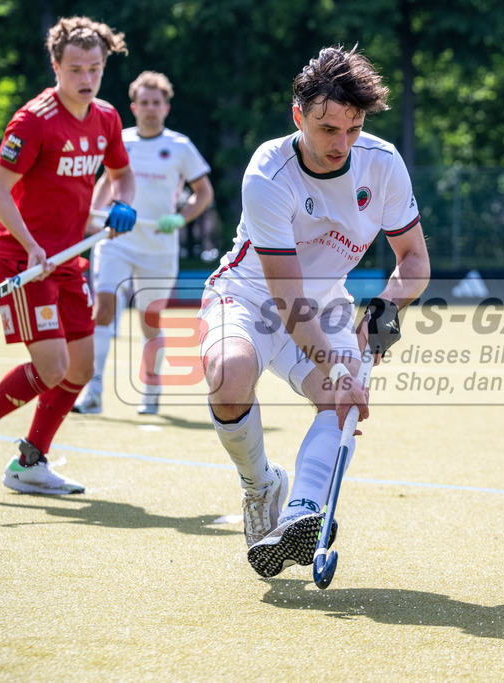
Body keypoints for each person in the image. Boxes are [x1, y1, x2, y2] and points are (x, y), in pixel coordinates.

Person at [198, 46, 429, 577]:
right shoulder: (268, 174)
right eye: (328, 129)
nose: (342, 144)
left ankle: (301, 509)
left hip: (323, 303)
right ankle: (261, 486)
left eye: (353, 128)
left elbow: (414, 259)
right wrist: (339, 367)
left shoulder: (383, 164)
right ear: (298, 115)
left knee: (340, 405)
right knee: (229, 377)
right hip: (251, 295)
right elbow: (284, 295)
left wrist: (389, 304)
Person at [0, 16, 136, 495]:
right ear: (55, 66)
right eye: (75, 69)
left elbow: (121, 175)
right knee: (51, 367)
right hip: (20, 259)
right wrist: (31, 247)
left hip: (68, 259)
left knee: (81, 368)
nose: (86, 79)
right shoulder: (33, 121)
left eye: (95, 68)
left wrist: (121, 204)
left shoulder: (107, 118)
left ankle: (29, 463)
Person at [73, 71, 214, 416]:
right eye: (145, 103)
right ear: (134, 107)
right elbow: (109, 181)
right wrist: (94, 216)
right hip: (116, 241)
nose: (151, 109)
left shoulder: (180, 146)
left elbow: (204, 193)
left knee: (149, 319)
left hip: (159, 247)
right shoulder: (121, 140)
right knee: (103, 309)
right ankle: (92, 393)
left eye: (157, 103)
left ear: (166, 107)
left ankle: (151, 389)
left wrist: (180, 218)